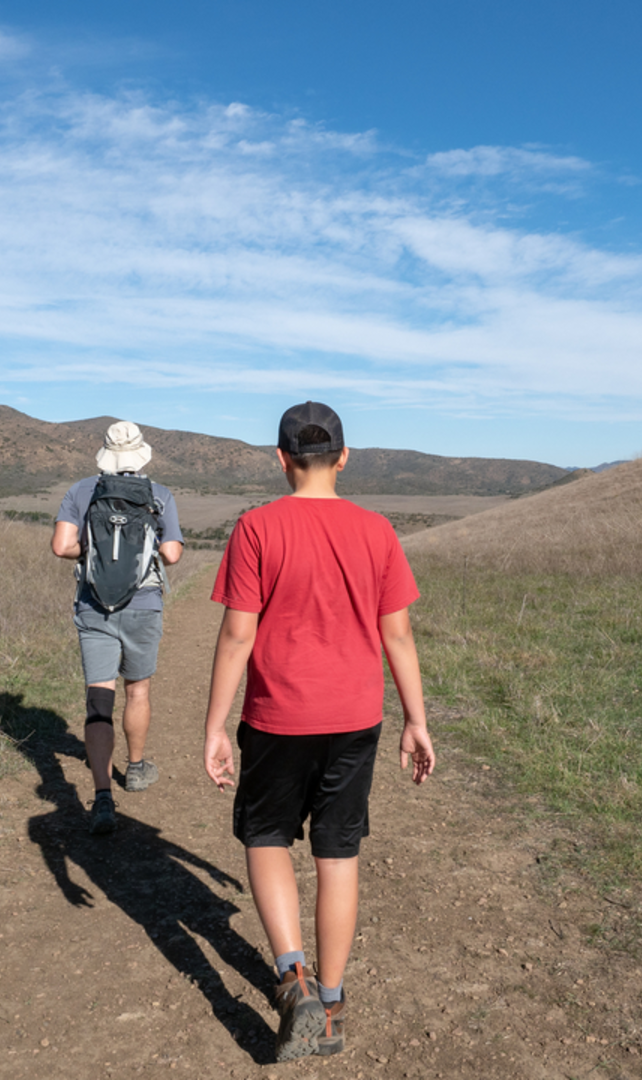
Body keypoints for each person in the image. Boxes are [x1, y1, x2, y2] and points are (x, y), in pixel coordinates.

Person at [202, 401, 435, 1062]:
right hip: (355, 721)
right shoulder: (377, 531)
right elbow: (399, 634)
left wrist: (215, 726)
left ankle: (292, 976)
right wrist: (416, 721)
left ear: (280, 460)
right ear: (343, 457)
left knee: (267, 835)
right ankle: (329, 1007)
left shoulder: (257, 528)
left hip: (276, 719)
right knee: (339, 854)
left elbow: (237, 635)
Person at [52, 421, 184, 835]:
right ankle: (137, 767)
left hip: (94, 606)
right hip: (143, 604)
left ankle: (103, 796)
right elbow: (173, 554)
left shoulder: (81, 490)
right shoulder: (159, 495)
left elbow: (61, 546)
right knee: (138, 689)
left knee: (99, 699)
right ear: (141, 453)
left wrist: (93, 551)